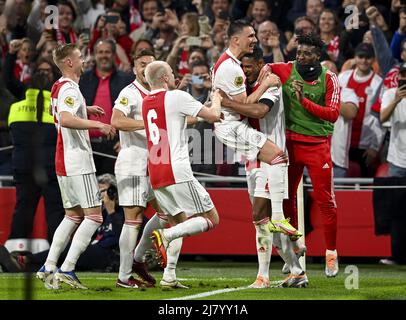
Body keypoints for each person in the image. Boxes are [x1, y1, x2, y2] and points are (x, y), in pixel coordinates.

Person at [220, 47, 308, 288]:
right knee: (262, 219)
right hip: (252, 157)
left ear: (260, 63)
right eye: (242, 67)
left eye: (249, 66)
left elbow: (260, 110)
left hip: (272, 158)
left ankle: (263, 276)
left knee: (260, 215)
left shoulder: (273, 84)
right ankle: (297, 270)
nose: (245, 71)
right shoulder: (244, 86)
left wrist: (226, 102)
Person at [36, 43, 116, 290]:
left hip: (64, 160)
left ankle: (48, 266)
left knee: (72, 216)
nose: (84, 60)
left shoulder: (59, 85)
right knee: (94, 216)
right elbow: (68, 119)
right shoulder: (69, 87)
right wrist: (97, 125)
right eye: (80, 57)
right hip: (77, 159)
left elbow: (61, 112)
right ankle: (68, 268)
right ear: (69, 62)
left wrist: (86, 108)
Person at [262, 33, 341, 277]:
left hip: (318, 146)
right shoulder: (286, 70)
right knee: (286, 198)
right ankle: (293, 249)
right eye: (298, 52)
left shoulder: (330, 78)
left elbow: (333, 114)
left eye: (306, 53)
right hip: (291, 145)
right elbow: (260, 67)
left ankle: (331, 254)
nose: (300, 57)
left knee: (325, 200)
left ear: (318, 56)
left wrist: (303, 100)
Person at [142, 61, 222, 278]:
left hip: (156, 171)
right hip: (176, 169)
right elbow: (215, 115)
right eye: (171, 72)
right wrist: (217, 95)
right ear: (166, 78)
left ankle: (169, 275)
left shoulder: (146, 102)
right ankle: (166, 235)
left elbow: (179, 119)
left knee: (179, 221)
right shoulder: (176, 96)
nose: (175, 75)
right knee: (211, 218)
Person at [0, 174, 126, 273]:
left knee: (67, 250)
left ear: (113, 192)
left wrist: (112, 212)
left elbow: (124, 237)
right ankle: (23, 266)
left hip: (109, 254)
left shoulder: (124, 211)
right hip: (93, 250)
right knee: (63, 257)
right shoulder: (100, 212)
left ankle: (26, 260)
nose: (99, 196)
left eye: (103, 191)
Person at [5, 58, 65, 251]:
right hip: (49, 166)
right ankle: (57, 253)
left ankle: (15, 249)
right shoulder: (56, 110)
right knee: (54, 211)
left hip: (23, 164)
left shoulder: (15, 108)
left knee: (23, 208)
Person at [110, 49, 158, 288]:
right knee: (133, 219)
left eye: (150, 64)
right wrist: (148, 125)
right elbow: (116, 121)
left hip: (155, 164)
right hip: (133, 162)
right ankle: (123, 276)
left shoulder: (160, 92)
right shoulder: (129, 93)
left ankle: (138, 259)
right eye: (141, 64)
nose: (146, 68)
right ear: (134, 68)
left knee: (168, 213)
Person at [79, 39, 134, 175]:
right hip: (87, 146)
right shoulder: (82, 79)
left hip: (115, 146)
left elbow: (134, 112)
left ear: (114, 54)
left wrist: (126, 140)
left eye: (107, 52)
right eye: (100, 52)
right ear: (95, 55)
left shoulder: (126, 80)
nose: (104, 55)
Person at [338, 43, 384, 177]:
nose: (364, 60)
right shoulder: (343, 77)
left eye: (368, 57)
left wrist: (374, 147)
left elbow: (380, 117)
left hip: (365, 145)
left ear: (373, 59)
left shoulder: (378, 82)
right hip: (343, 142)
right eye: (361, 56)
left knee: (363, 184)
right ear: (355, 58)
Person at [380, 62, 406, 177]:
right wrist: (396, 100)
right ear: (398, 77)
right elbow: (382, 118)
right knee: (395, 195)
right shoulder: (389, 94)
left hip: (397, 159)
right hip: (397, 160)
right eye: (403, 75)